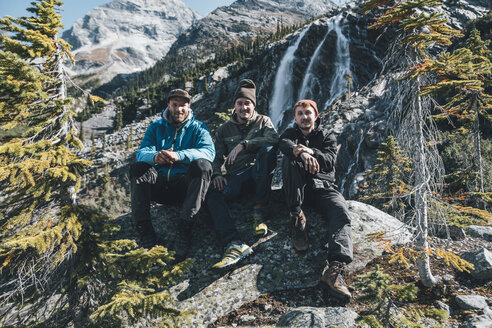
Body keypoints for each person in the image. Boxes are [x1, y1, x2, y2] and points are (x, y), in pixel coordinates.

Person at [279, 99, 353, 302]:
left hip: (323, 188)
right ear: (295, 118)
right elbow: (282, 143)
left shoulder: (327, 135)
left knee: (341, 212)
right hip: (298, 189)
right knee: (289, 159)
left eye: (308, 113)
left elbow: (329, 161)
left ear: (316, 115)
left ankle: (335, 270)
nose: (304, 117)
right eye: (300, 113)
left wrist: (312, 152)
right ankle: (296, 216)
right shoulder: (290, 134)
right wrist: (300, 152)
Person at [130, 89, 215, 261]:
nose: (178, 109)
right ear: (168, 106)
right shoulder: (156, 127)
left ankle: (185, 228)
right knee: (138, 168)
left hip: (184, 188)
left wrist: (180, 155)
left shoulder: (199, 128)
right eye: (174, 105)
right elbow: (141, 153)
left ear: (189, 107)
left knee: (203, 166)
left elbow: (208, 152)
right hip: (160, 186)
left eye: (182, 105)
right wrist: (155, 157)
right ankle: (145, 230)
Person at [206, 79, 279, 269]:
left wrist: (244, 144)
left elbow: (274, 138)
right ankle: (234, 243)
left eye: (248, 103)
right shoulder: (224, 130)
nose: (244, 107)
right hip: (236, 177)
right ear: (235, 106)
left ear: (253, 105)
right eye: (240, 103)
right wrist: (216, 175)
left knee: (268, 150)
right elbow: (215, 157)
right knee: (212, 193)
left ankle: (259, 209)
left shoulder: (264, 121)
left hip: (258, 173)